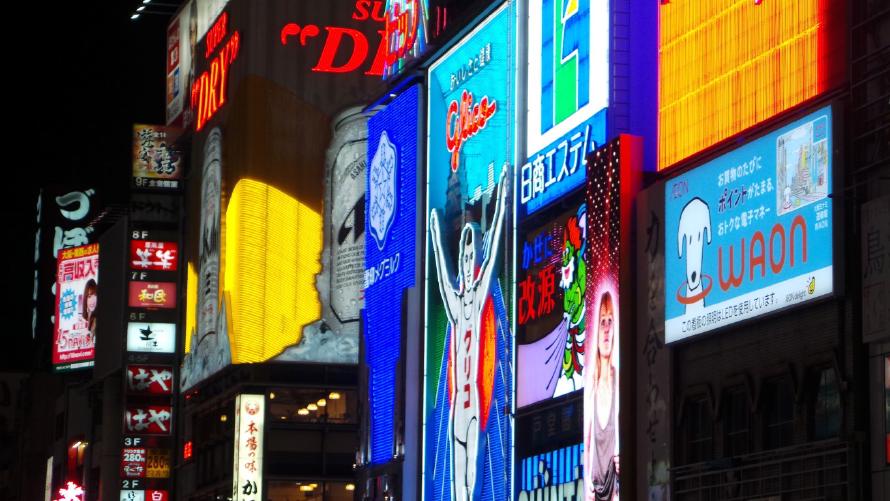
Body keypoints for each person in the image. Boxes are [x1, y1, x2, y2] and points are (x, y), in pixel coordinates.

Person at [429, 166, 507, 501]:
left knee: (470, 483)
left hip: (474, 407)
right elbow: (442, 275)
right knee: (457, 488)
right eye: (463, 254)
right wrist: (433, 230)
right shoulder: (456, 306)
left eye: (470, 254)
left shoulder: (475, 302)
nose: (466, 259)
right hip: (455, 411)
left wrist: (502, 201)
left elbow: (491, 261)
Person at [585, 291, 619, 500]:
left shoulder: (620, 381)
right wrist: (588, 480)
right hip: (595, 492)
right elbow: (587, 444)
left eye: (610, 322)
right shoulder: (591, 388)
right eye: (602, 322)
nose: (606, 329)